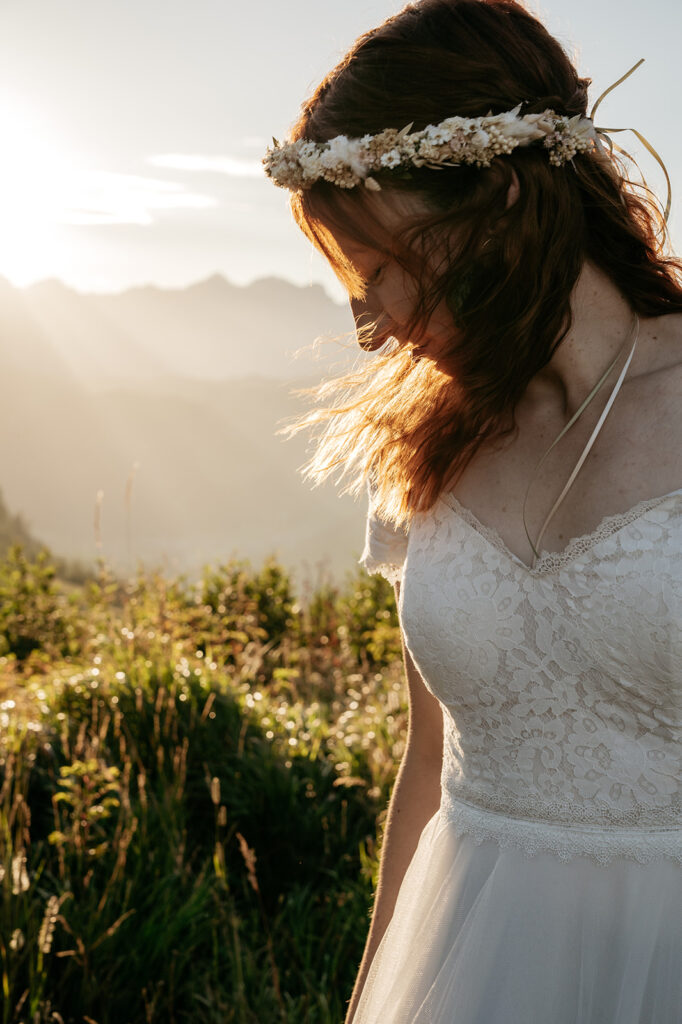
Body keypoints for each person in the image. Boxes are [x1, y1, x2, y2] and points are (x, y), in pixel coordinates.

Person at [263, 1, 682, 1021]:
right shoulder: (421, 452)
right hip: (469, 969)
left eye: (380, 269)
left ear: (498, 199)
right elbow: (426, 768)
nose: (370, 327)